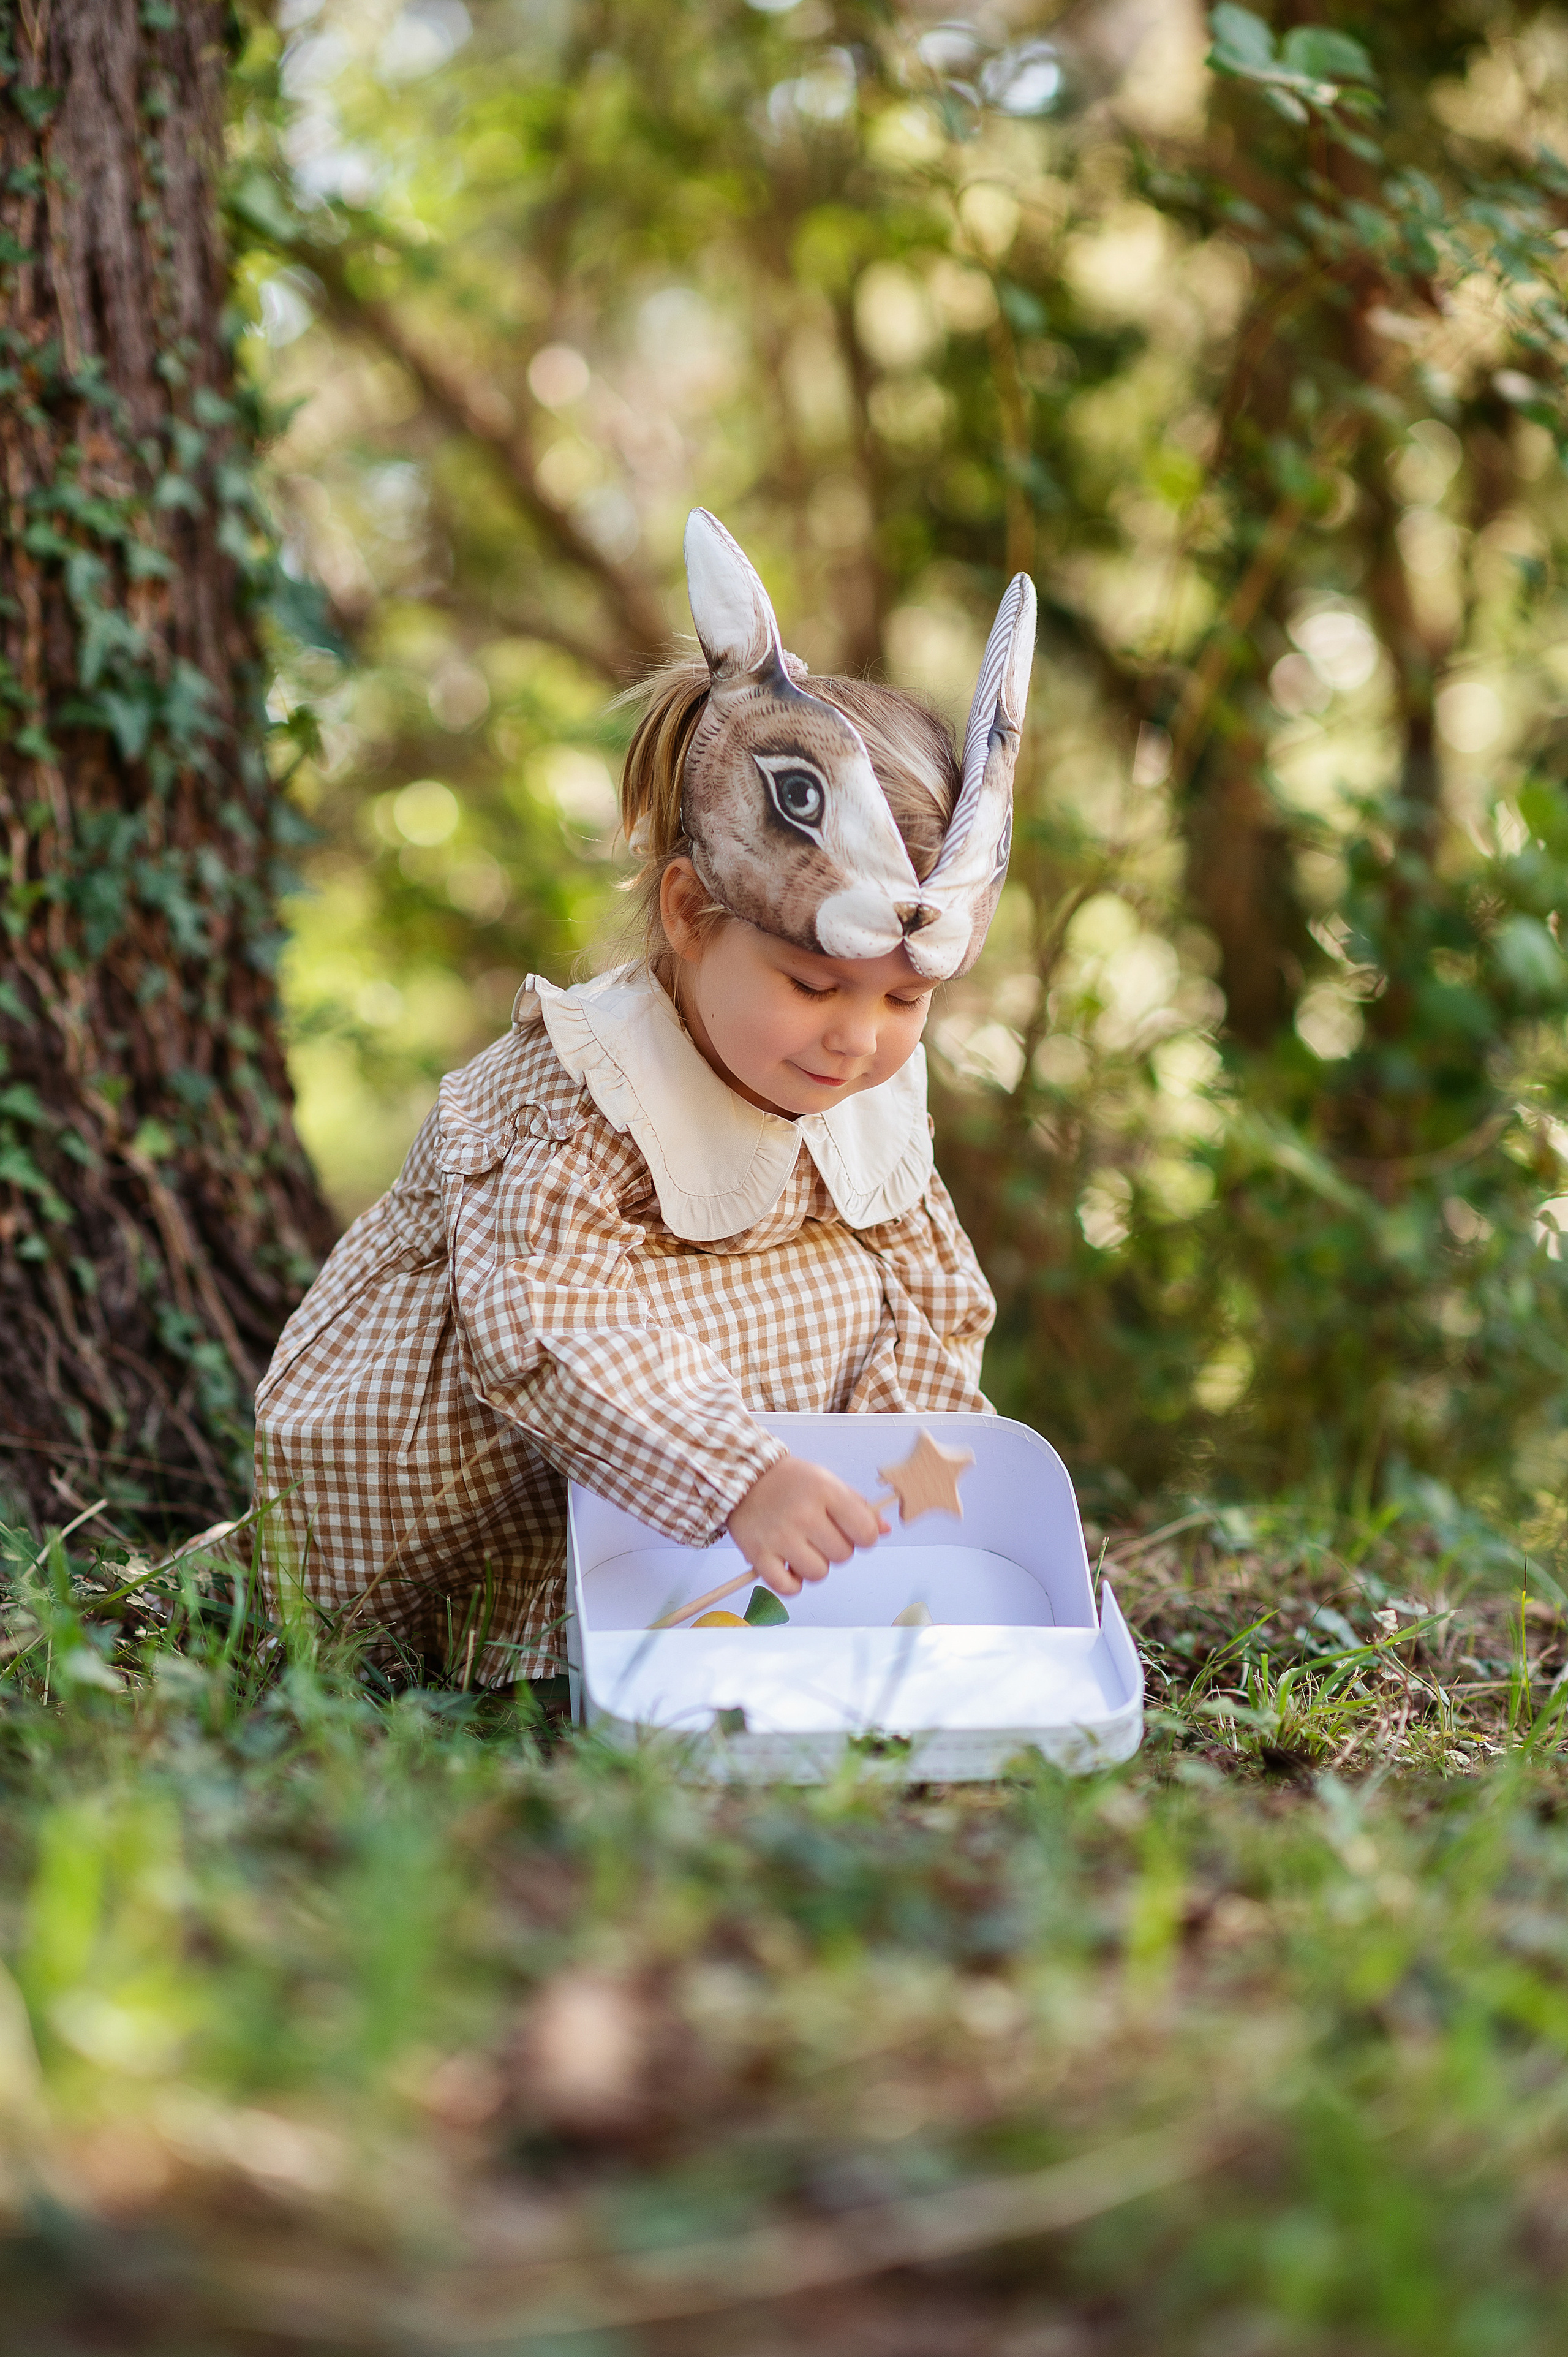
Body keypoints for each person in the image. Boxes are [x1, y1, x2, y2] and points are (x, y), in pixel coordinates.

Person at [254, 510, 1036, 1685]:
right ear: (686, 914)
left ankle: (744, 1596)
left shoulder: (865, 1080)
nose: (858, 1039)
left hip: (728, 1508)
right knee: (607, 1326)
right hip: (491, 1486)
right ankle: (523, 1633)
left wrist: (885, 1490)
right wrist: (742, 1473)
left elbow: (932, 1299)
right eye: (814, 983)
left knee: (862, 1273)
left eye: (902, 1004)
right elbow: (547, 1328)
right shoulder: (582, 1097)